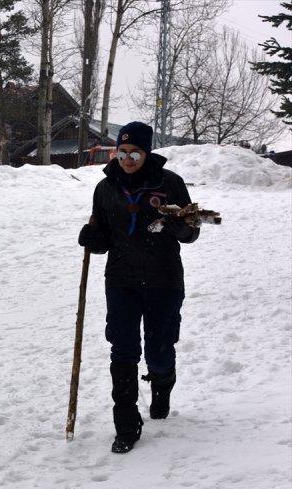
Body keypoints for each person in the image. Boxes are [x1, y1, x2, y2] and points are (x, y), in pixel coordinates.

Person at [78, 122, 200, 454]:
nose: (128, 159)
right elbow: (103, 237)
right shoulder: (105, 188)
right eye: (122, 153)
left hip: (164, 279)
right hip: (122, 280)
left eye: (134, 153)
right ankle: (126, 423)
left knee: (159, 351)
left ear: (146, 153)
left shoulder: (170, 183)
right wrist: (92, 240)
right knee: (123, 349)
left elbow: (192, 232)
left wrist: (179, 227)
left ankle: (162, 384)